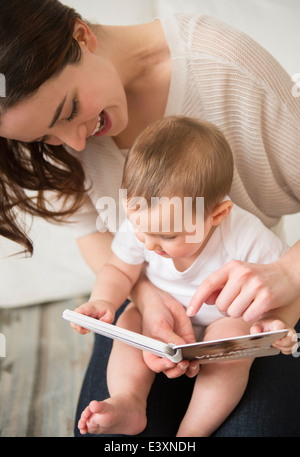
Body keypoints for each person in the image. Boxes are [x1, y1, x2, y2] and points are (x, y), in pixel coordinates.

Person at [0, 0, 299, 436]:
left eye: (67, 111)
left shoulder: (226, 66)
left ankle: (191, 430)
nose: (74, 145)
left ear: (82, 37)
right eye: (47, 137)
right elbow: (110, 254)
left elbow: (272, 299)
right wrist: (137, 297)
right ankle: (129, 401)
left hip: (238, 309)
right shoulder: (135, 227)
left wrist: (286, 283)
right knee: (120, 363)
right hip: (151, 300)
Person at [71, 116, 298, 437]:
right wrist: (102, 301)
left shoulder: (245, 235)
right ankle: (129, 400)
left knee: (232, 353)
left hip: (222, 318)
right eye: (141, 229)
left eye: (167, 236)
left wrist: (275, 322)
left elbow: (281, 285)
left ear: (217, 215)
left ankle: (194, 430)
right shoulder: (145, 226)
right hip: (158, 312)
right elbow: (118, 269)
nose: (149, 243)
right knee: (128, 323)